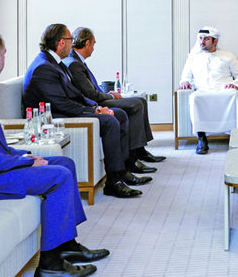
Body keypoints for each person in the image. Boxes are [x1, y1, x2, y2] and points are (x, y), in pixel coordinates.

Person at [0, 30, 108, 277]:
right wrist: (22, 162)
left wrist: (24, 157)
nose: (5, 57)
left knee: (65, 163)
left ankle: (66, 246)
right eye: (4, 54)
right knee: (59, 176)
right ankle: (50, 266)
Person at [23, 23, 150, 198]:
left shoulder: (55, 63)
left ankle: (122, 171)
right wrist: (94, 112)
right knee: (110, 121)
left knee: (119, 114)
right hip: (55, 118)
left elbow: (75, 95)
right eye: (70, 39)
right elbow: (61, 104)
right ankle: (113, 183)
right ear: (61, 43)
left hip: (66, 111)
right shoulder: (44, 67)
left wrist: (96, 107)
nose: (73, 43)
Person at [64, 27, 165, 169]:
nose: (93, 48)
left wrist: (108, 93)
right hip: (95, 102)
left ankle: (140, 149)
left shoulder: (76, 60)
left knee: (141, 101)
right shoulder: (74, 63)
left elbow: (90, 88)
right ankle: (133, 156)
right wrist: (110, 95)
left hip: (98, 98)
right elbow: (90, 94)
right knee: (136, 105)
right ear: (87, 43)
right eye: (93, 44)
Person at [178, 26, 238, 154]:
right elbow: (185, 77)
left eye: (206, 39)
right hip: (203, 90)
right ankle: (202, 139)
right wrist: (185, 82)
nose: (202, 42)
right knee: (195, 97)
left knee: (234, 95)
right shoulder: (193, 58)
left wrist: (235, 84)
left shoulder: (228, 56)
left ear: (215, 41)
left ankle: (236, 137)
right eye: (200, 38)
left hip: (224, 90)